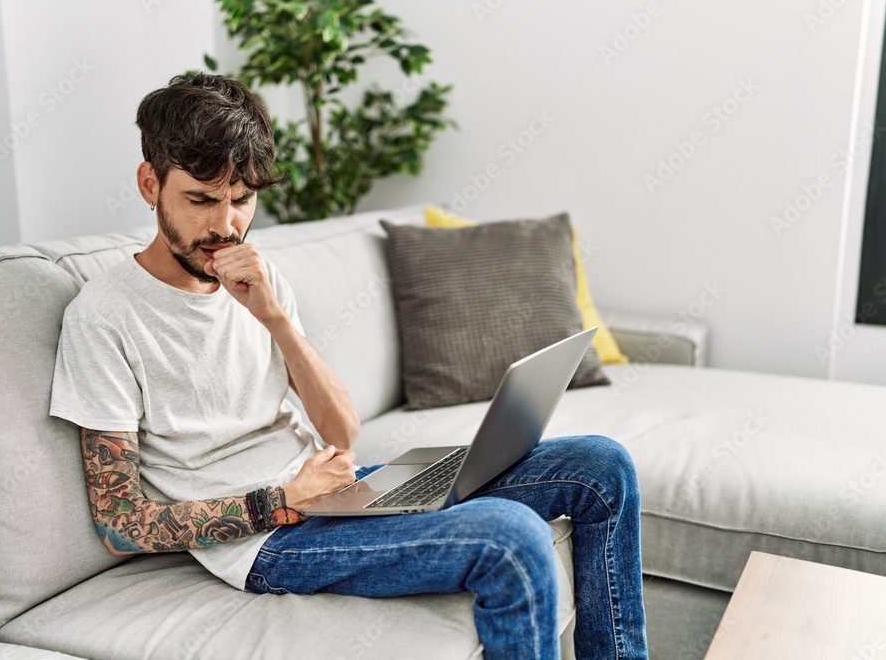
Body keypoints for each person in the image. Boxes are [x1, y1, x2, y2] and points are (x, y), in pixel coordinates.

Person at [49, 71, 648, 659]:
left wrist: (275, 319)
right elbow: (121, 525)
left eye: (242, 201)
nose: (225, 226)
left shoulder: (257, 276)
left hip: (339, 488)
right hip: (269, 538)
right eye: (201, 200)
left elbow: (340, 434)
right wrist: (282, 500)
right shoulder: (104, 316)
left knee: (601, 466)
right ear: (150, 184)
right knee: (511, 538)